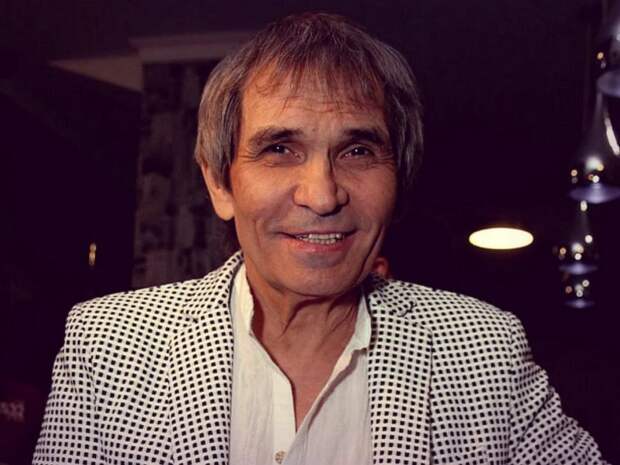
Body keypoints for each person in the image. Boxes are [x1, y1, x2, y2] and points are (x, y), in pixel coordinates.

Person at [34, 13, 608, 465]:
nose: (323, 194)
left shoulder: (485, 351)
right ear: (219, 184)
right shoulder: (106, 345)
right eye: (280, 149)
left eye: (357, 150)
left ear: (398, 180)